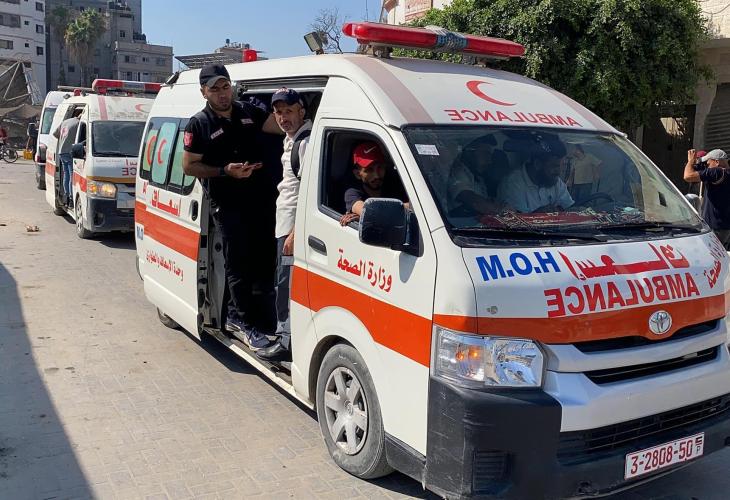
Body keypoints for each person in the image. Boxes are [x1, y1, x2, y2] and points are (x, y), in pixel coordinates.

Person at [182, 63, 282, 351]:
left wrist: (303, 121)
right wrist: (225, 171)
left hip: (259, 199)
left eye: (225, 86)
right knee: (238, 263)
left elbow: (278, 125)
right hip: (227, 204)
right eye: (214, 89)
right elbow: (189, 166)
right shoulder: (199, 124)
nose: (222, 93)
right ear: (204, 92)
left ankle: (263, 319)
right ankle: (241, 321)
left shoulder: (248, 111)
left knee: (263, 259)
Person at [256, 88, 311, 362]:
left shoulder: (305, 143)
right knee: (281, 281)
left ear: (302, 111)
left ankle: (285, 341)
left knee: (286, 285)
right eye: (278, 112)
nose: (282, 117)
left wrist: (295, 233)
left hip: (292, 229)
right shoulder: (291, 139)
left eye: (288, 111)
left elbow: (309, 193)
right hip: (284, 224)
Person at [339, 142, 409, 225]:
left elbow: (416, 207)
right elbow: (368, 212)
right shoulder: (352, 191)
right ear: (358, 174)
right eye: (369, 170)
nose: (377, 175)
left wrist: (366, 216)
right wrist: (400, 208)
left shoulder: (395, 184)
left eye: (380, 167)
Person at [497, 139, 574, 213]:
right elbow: (515, 219)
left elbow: (568, 207)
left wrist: (559, 209)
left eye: (562, 165)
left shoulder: (554, 180)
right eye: (555, 166)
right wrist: (538, 214)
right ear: (538, 164)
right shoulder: (512, 183)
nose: (559, 172)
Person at [447, 135, 509, 216]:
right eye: (485, 154)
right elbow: (472, 200)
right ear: (469, 153)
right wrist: (499, 210)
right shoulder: (458, 173)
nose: (490, 161)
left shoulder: (478, 177)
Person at [684, 148, 730, 248]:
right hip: (723, 227)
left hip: (715, 229)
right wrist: (698, 163)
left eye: (708, 163)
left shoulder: (718, 172)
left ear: (717, 162)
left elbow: (688, 176)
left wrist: (690, 161)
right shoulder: (726, 174)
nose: (706, 166)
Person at [53, 108, 83, 207]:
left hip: (61, 151)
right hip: (70, 152)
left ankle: (66, 195)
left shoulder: (65, 122)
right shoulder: (78, 124)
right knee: (71, 175)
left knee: (66, 174)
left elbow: (55, 134)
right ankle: (71, 197)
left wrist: (64, 140)